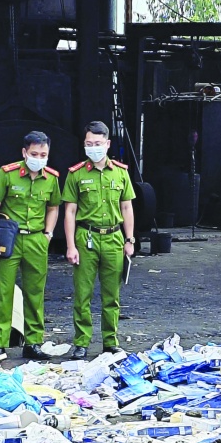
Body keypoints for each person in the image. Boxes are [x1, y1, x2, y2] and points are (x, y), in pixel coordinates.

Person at [0, 131, 61, 360]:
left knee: (35, 293)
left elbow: (53, 207)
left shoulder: (51, 178)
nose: (39, 158)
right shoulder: (7, 173)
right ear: (24, 152)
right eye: (34, 154)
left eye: (43, 154)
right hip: (10, 239)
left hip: (36, 239)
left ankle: (33, 342)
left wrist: (48, 234)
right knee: (3, 292)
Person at [62, 121, 135, 360]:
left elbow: (127, 207)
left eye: (98, 143)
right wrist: (70, 245)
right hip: (86, 237)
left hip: (114, 237)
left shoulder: (121, 172)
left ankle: (110, 342)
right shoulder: (76, 174)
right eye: (89, 143)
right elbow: (70, 211)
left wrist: (130, 239)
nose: (94, 148)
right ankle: (81, 342)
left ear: (108, 144)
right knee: (82, 294)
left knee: (111, 294)